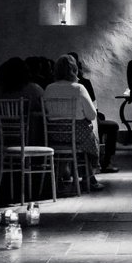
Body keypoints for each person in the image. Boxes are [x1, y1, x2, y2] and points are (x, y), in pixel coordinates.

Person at [42, 55, 102, 191]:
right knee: (90, 136)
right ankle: (89, 177)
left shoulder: (49, 88)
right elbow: (92, 114)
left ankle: (60, 178)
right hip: (76, 134)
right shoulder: (78, 88)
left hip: (55, 135)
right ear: (74, 69)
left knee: (85, 136)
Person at [69, 51, 119, 173]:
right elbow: (92, 112)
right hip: (79, 130)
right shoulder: (82, 84)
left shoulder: (50, 87)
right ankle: (104, 162)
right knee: (111, 126)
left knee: (100, 118)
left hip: (57, 133)